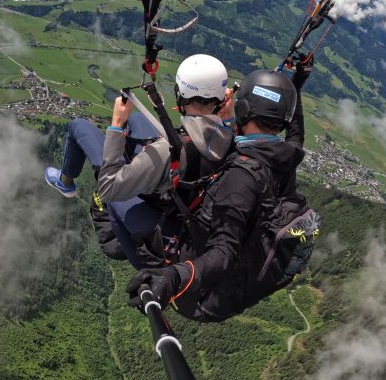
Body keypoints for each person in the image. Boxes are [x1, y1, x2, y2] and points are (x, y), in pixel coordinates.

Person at [126, 59, 318, 322]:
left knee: (128, 214)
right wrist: (296, 82)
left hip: (200, 297)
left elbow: (224, 251)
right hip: (236, 279)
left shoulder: (241, 178)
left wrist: (174, 276)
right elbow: (296, 134)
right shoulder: (285, 156)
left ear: (243, 110)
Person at [43, 54, 235, 264]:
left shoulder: (166, 151)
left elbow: (108, 189)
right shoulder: (232, 136)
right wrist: (230, 117)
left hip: (164, 204)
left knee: (78, 126)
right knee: (136, 119)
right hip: (183, 195)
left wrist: (116, 126)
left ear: (180, 95)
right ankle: (130, 159)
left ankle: (66, 183)